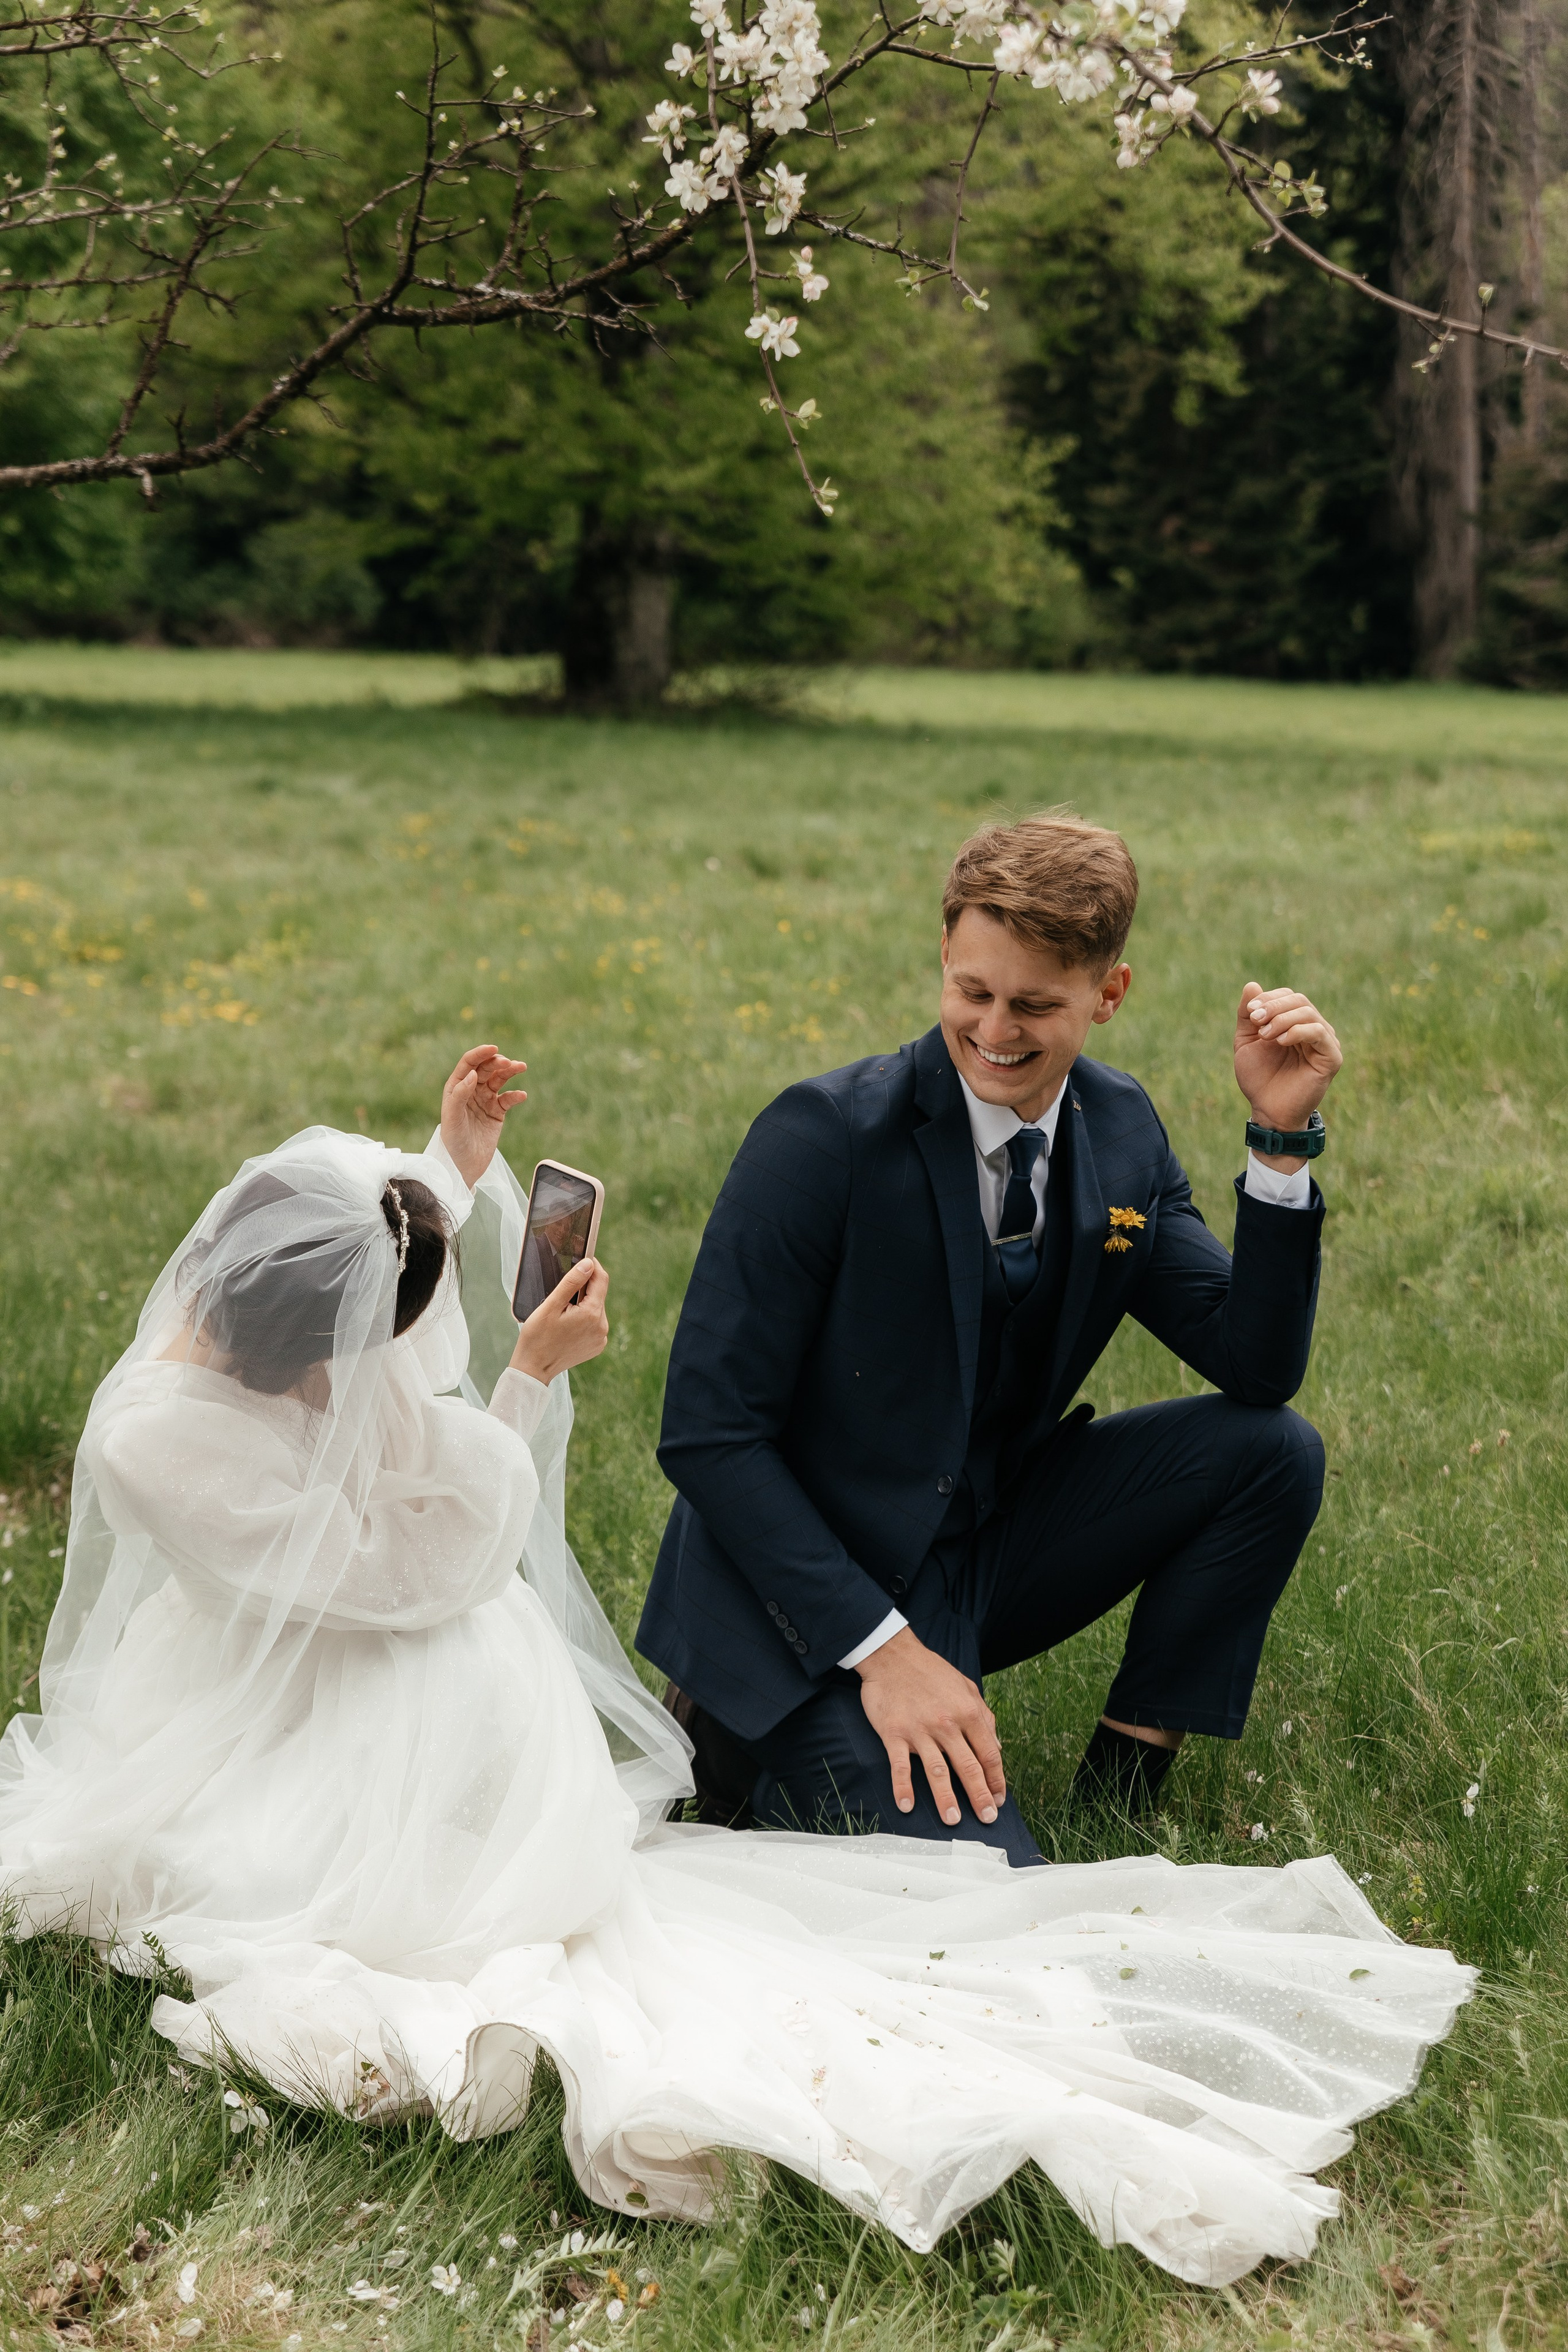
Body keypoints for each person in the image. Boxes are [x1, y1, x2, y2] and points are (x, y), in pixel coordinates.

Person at [0, 1046, 1472, 2289]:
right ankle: (770, 1756)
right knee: (618, 1914)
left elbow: (365, 1256)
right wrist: (525, 1384)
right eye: (349, 1355)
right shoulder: (161, 1442)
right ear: (292, 1344)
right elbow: (415, 1581)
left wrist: (453, 1158)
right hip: (354, 1679)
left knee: (1261, 1452)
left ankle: (1108, 1767)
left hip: (907, 1556)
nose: (372, 1373)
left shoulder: (315, 1290)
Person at [641, 815, 1340, 1860]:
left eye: (1035, 1004)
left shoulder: (1122, 1128)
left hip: (976, 1551)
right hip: (797, 1596)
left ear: (1109, 994)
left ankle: (1122, 1787)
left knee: (1272, 1453)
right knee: (982, 1900)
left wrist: (1281, 1146)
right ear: (944, 958)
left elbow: (1256, 1365)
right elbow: (706, 1434)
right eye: (973, 992)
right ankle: (731, 1744)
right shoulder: (819, 1140)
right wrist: (887, 1655)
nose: (996, 1030)